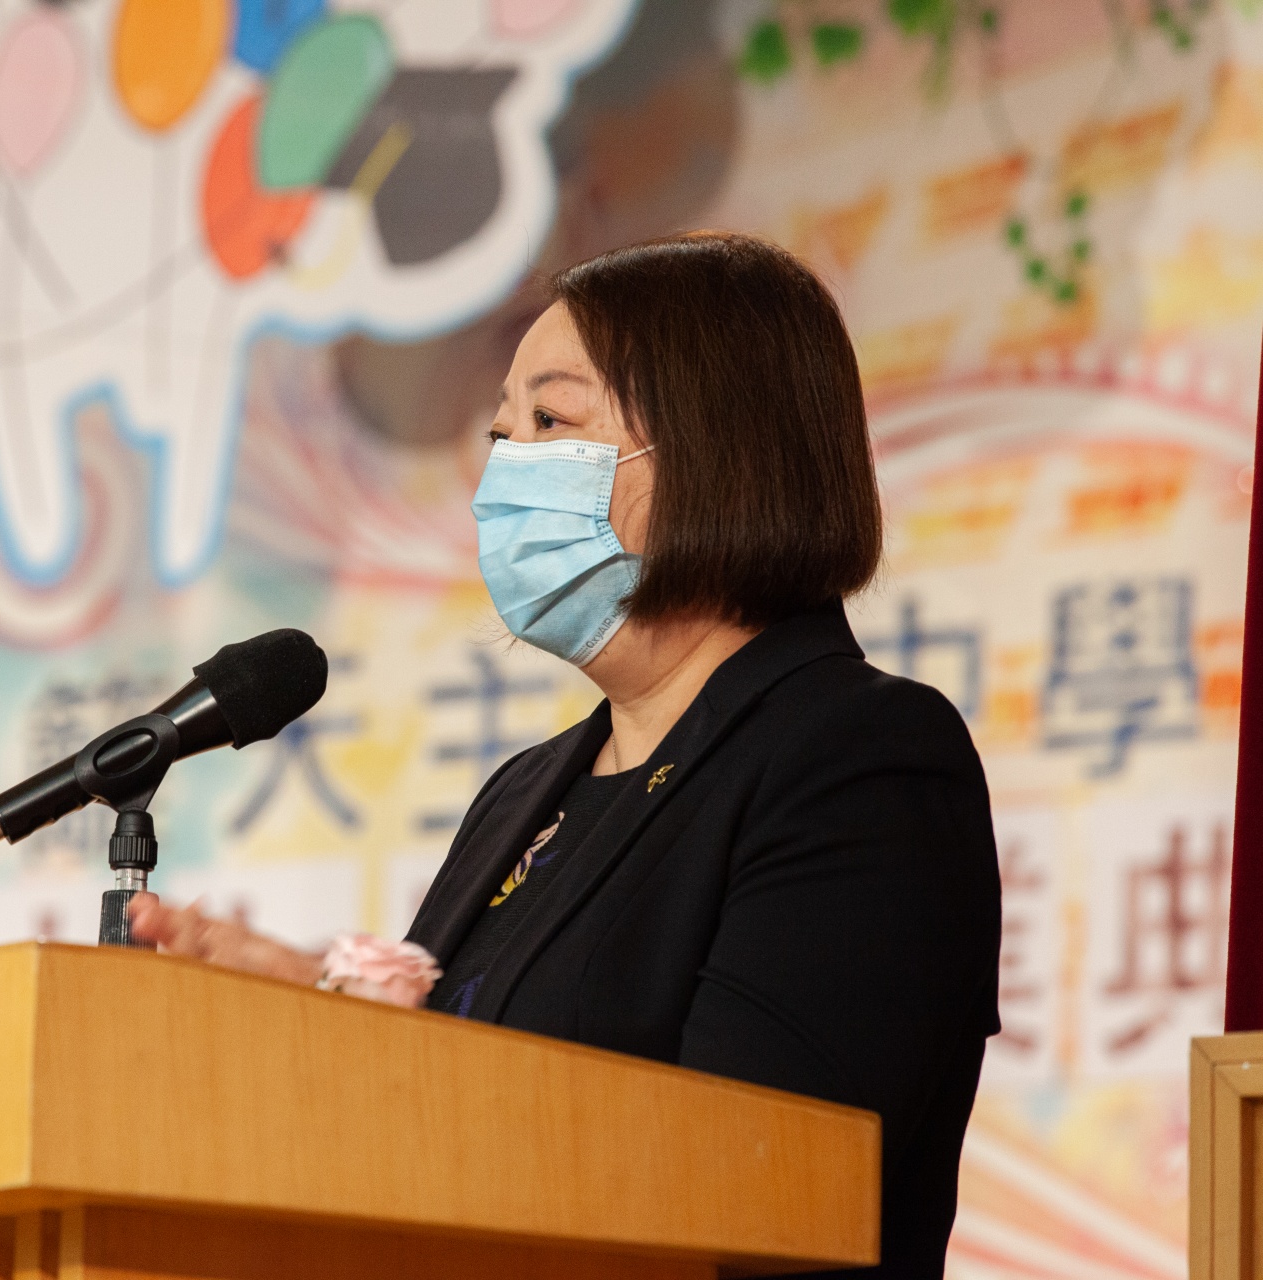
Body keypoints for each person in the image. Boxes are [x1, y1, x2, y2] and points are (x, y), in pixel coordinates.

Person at [129, 231, 1001, 1280]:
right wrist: (326, 1028)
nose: (504, 472)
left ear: (720, 451)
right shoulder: (523, 795)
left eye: (551, 422)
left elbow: (755, 1183)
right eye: (502, 432)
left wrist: (394, 1050)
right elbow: (444, 1140)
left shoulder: (860, 758)